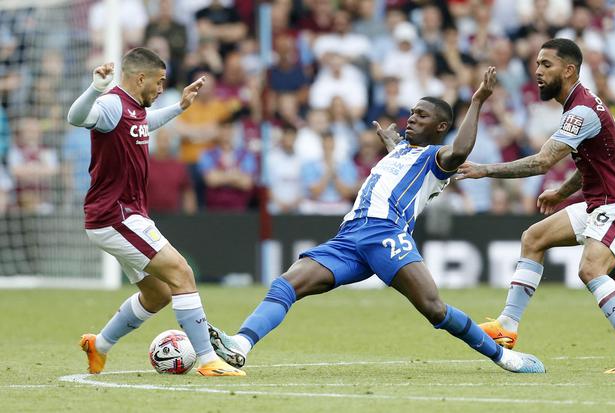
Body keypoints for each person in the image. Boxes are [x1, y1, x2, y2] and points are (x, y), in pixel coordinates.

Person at [208, 67, 546, 374]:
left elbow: (458, 152)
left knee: (434, 309)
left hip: (385, 234)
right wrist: (393, 145)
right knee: (286, 284)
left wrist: (477, 101)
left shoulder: (435, 158)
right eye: (412, 112)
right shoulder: (402, 151)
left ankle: (505, 358)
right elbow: (399, 162)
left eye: (422, 115)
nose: (411, 118)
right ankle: (241, 344)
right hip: (348, 237)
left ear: (440, 127)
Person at [457, 39, 615, 374]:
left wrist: (484, 170)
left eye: (546, 65)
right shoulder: (577, 106)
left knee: (591, 269)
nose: (537, 71)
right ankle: (507, 325)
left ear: (569, 70)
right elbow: (593, 164)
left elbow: (542, 162)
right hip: (600, 200)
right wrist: (562, 192)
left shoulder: (581, 112)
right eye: (537, 64)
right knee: (534, 238)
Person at [67, 47, 243, 377]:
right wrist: (94, 88)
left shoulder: (133, 109)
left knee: (158, 293)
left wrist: (179, 107)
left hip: (126, 214)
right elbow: (75, 118)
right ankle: (208, 360)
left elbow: (145, 123)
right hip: (115, 215)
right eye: (160, 82)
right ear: (141, 77)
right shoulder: (111, 104)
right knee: (182, 273)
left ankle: (99, 346)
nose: (162, 88)